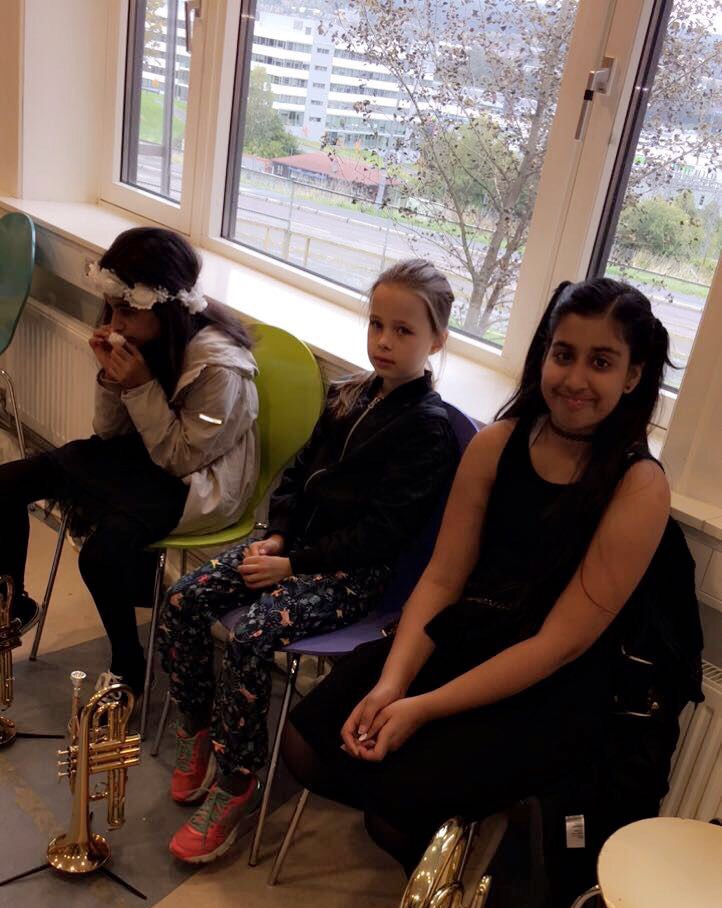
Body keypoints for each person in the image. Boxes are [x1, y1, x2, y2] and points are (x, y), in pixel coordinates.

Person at [283, 278, 704, 871]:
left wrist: (424, 707)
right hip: (472, 633)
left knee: (395, 816)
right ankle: (459, 837)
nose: (575, 379)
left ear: (632, 376)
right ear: (543, 355)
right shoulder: (497, 443)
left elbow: (560, 644)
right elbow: (442, 579)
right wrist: (393, 684)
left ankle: (478, 858)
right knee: (307, 746)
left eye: (601, 362)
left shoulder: (639, 485)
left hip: (549, 680)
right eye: (563, 354)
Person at [158, 258, 460, 864]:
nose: (384, 341)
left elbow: (380, 535)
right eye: (377, 324)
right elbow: (297, 476)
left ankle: (237, 781)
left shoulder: (427, 430)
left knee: (251, 638)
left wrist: (292, 565)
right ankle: (199, 725)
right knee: (185, 598)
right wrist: (276, 537)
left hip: (354, 576)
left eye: (403, 330)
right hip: (292, 552)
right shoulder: (348, 392)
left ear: (437, 340)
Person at [0, 227, 259, 691]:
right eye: (112, 308)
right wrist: (110, 378)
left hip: (194, 482)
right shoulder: (145, 337)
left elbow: (181, 459)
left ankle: (129, 664)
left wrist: (139, 386)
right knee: (6, 483)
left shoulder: (220, 367)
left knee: (101, 556)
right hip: (143, 454)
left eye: (126, 311)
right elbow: (109, 433)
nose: (115, 324)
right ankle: (12, 605)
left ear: (164, 306)